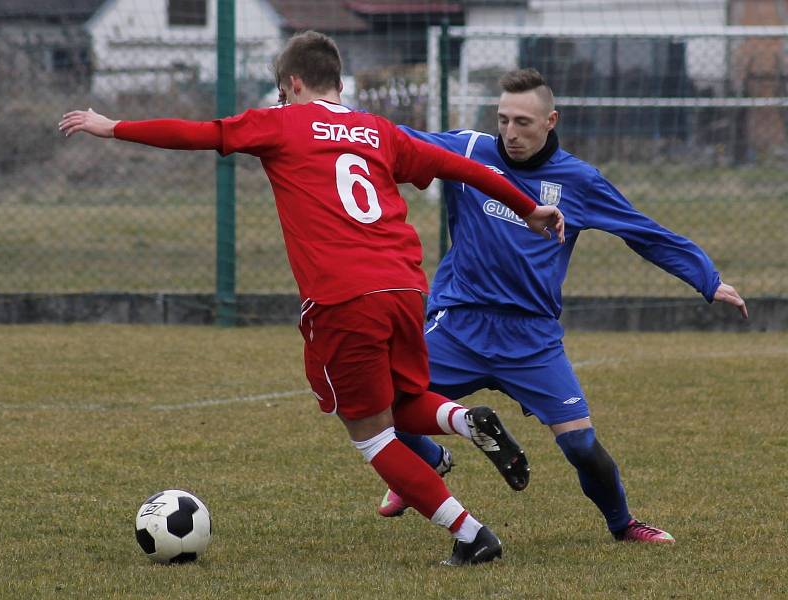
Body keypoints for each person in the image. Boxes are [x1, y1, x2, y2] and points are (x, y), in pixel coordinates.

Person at [58, 34, 566, 565]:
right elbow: (459, 167)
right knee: (400, 401)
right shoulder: (377, 130)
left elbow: (197, 133)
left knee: (371, 435)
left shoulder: (281, 122)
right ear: (339, 83)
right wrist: (527, 206)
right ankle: (466, 422)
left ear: (293, 84)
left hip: (345, 297)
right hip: (406, 288)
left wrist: (111, 126)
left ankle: (472, 536)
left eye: (283, 91)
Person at [376, 68, 748, 544]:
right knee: (379, 402)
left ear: (551, 120)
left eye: (524, 123)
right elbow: (386, 138)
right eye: (503, 120)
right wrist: (321, 117)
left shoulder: (578, 180)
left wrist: (706, 278)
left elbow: (641, 231)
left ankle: (624, 526)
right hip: (459, 325)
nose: (510, 133)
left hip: (532, 338)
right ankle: (424, 466)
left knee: (581, 444)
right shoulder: (468, 150)